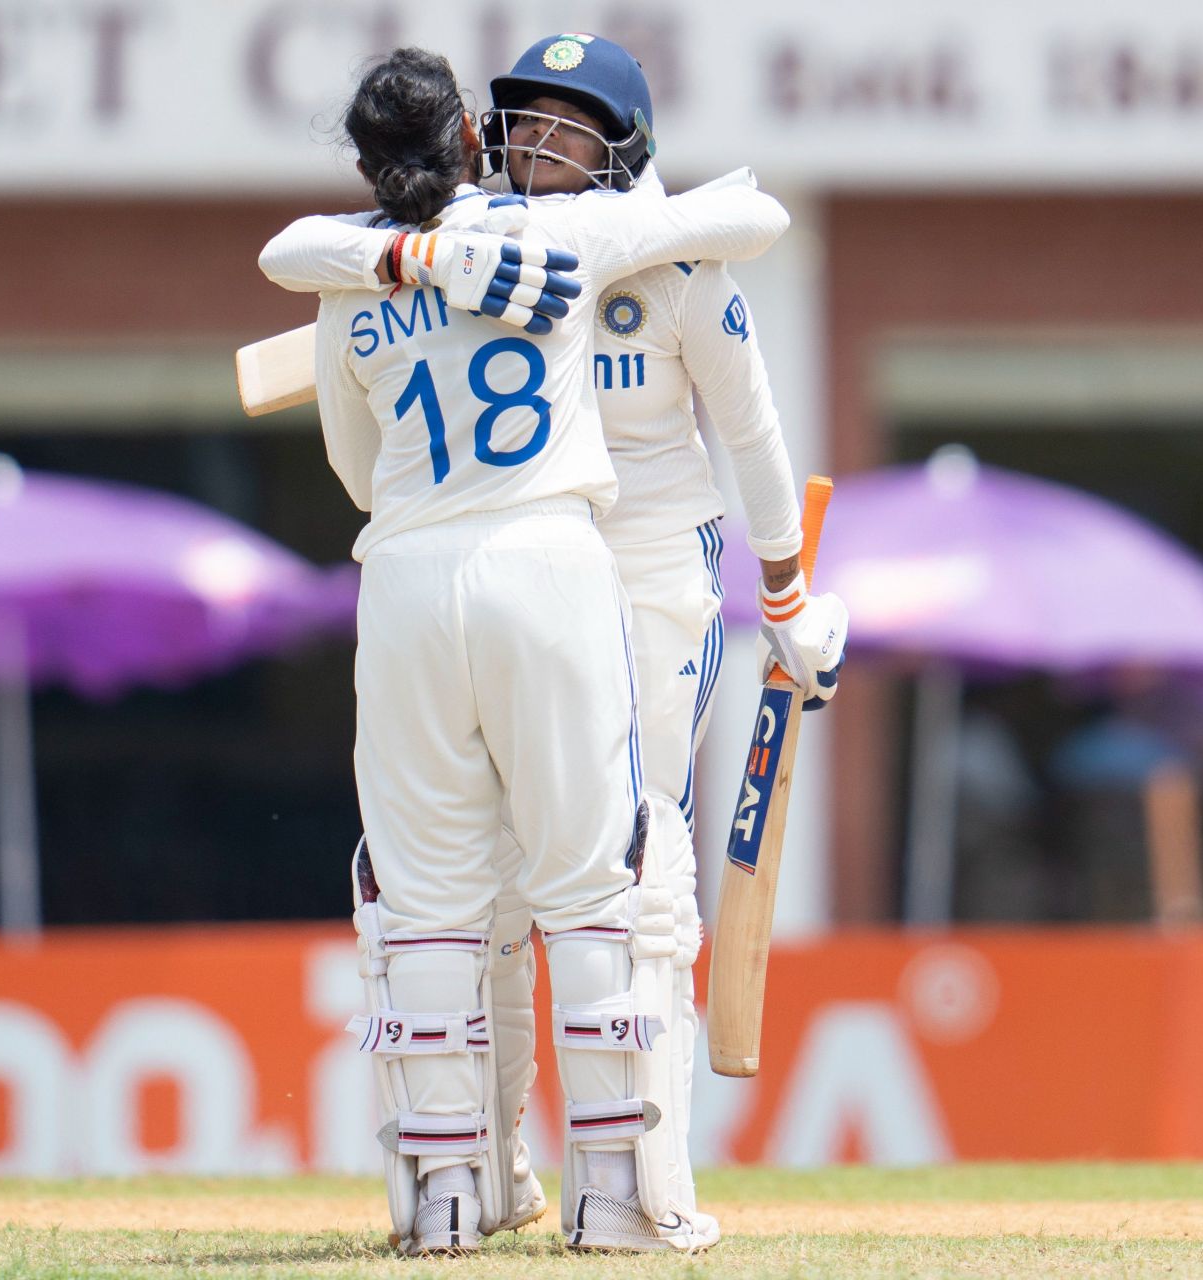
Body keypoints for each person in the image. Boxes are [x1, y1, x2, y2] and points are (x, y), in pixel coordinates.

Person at [261, 32, 849, 1250]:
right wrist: (425, 250)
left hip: (614, 568)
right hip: (552, 561)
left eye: (573, 125)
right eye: (523, 118)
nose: (541, 140)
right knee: (515, 890)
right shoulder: (531, 241)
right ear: (476, 135)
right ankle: (494, 1177)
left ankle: (630, 1181)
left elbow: (753, 425)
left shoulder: (612, 252)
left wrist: (785, 596)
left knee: (631, 876)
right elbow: (757, 212)